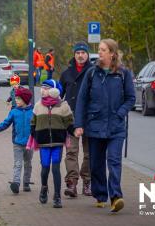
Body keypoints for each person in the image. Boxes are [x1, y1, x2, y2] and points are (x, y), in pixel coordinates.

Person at [74, 39, 135, 213]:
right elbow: (82, 100)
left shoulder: (123, 74)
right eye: (99, 49)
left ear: (112, 53)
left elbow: (131, 98)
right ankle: (100, 194)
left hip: (116, 126)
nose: (99, 52)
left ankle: (116, 196)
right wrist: (79, 124)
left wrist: (120, 114)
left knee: (114, 161)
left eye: (103, 50)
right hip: (95, 125)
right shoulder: (92, 73)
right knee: (96, 163)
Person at [31, 79, 74, 208]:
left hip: (57, 142)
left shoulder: (63, 105)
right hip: (43, 143)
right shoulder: (38, 105)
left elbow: (69, 122)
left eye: (46, 87)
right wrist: (35, 135)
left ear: (54, 91)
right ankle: (44, 188)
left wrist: (75, 131)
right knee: (45, 169)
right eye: (42, 87)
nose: (43, 90)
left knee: (55, 169)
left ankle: (57, 196)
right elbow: (33, 123)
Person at [0, 88, 34, 194]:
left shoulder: (34, 112)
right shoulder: (14, 112)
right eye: (15, 98)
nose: (16, 101)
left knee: (28, 163)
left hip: (30, 143)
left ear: (25, 100)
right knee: (18, 163)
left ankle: (26, 182)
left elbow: (38, 127)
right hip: (17, 143)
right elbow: (4, 124)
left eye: (18, 99)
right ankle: (16, 183)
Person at [60, 41, 93, 198]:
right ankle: (72, 183)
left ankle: (87, 182)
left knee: (90, 153)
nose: (80, 55)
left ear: (87, 55)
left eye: (83, 53)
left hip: (90, 117)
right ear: (74, 55)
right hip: (71, 118)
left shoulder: (93, 72)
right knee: (71, 151)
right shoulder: (66, 73)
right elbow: (58, 96)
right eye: (78, 53)